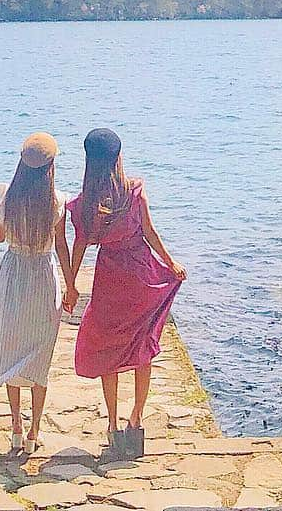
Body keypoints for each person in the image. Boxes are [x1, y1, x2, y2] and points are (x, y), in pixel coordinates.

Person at [0, 132, 75, 455]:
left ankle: (16, 428)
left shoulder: (9, 198)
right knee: (39, 358)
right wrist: (72, 284)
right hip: (43, 279)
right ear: (51, 167)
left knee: (12, 349)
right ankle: (34, 430)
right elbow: (61, 247)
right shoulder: (57, 202)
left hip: (13, 278)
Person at [66, 128, 185, 457]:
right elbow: (149, 232)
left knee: (108, 348)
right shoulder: (133, 193)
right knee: (141, 346)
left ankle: (114, 423)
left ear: (89, 162)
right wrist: (171, 263)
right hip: (141, 276)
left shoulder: (84, 206)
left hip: (109, 281)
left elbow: (79, 246)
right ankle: (137, 418)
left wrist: (71, 285)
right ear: (118, 158)